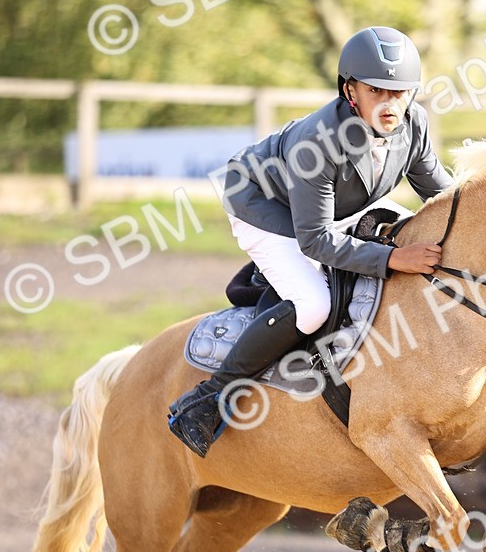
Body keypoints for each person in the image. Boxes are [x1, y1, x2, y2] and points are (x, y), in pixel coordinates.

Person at [168, 25, 454, 457]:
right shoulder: (318, 143)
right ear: (350, 90)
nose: (391, 104)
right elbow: (317, 240)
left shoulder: (413, 124)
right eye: (378, 90)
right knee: (313, 306)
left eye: (401, 92)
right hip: (261, 201)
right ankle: (210, 397)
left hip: (331, 205)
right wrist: (395, 259)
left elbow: (443, 196)